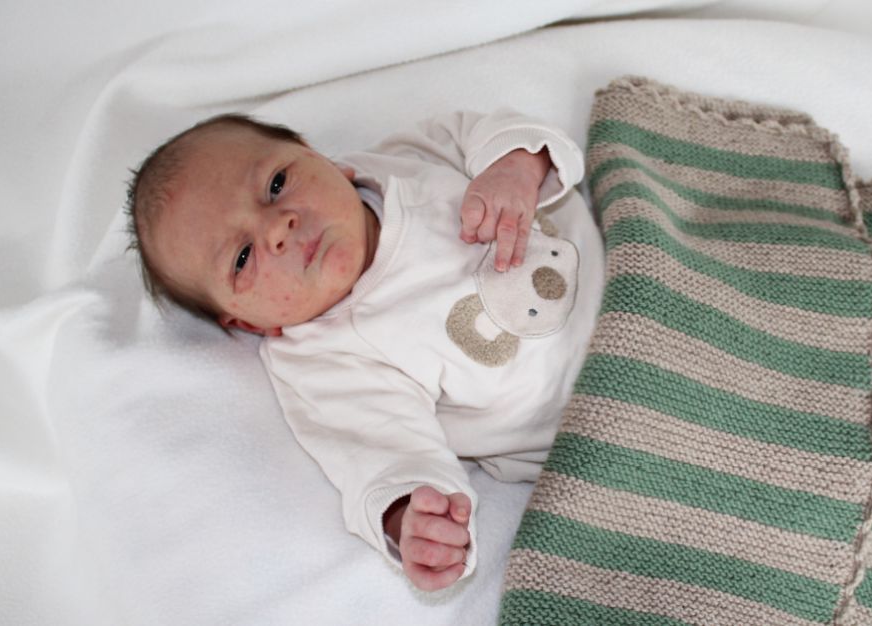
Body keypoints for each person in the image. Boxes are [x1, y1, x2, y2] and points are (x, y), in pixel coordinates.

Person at [126, 109, 604, 591]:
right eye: (242, 257)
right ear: (249, 322)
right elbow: (380, 453)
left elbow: (499, 131)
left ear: (319, 157)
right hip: (604, 418)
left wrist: (516, 166)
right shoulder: (326, 362)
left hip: (628, 264)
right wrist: (413, 514)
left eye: (276, 184)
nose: (277, 228)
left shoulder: (407, 161)